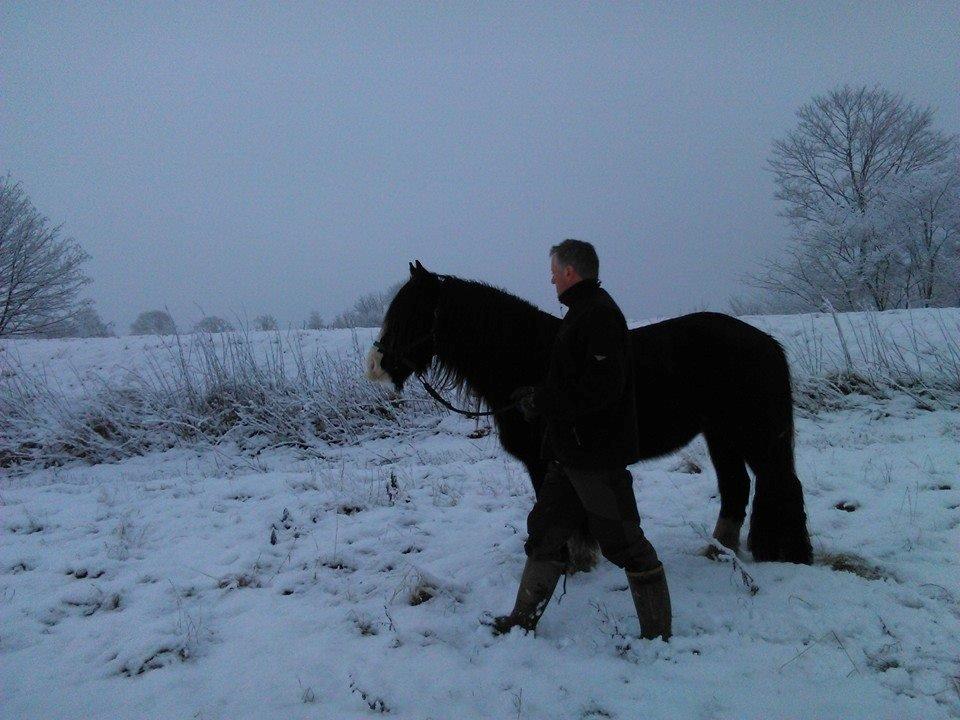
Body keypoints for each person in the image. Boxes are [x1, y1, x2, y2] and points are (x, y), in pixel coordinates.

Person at [491, 239, 672, 640]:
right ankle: (522, 622)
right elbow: (572, 380)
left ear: (570, 272)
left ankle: (659, 637)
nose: (551, 278)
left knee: (625, 542)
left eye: (554, 271)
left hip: (595, 454)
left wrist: (545, 401)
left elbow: (602, 390)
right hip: (567, 452)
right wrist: (537, 394)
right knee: (545, 533)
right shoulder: (581, 314)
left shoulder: (599, 316)